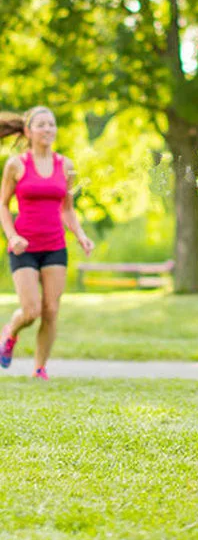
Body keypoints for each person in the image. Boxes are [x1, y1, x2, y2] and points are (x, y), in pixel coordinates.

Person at [0, 107, 94, 379]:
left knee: (51, 310)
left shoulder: (66, 165)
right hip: (24, 247)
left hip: (55, 245)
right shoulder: (16, 165)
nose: (48, 129)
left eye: (51, 124)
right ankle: (10, 331)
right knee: (31, 310)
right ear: (28, 131)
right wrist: (12, 236)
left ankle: (39, 368)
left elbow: (67, 209)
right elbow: (3, 206)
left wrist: (81, 235)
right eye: (41, 125)